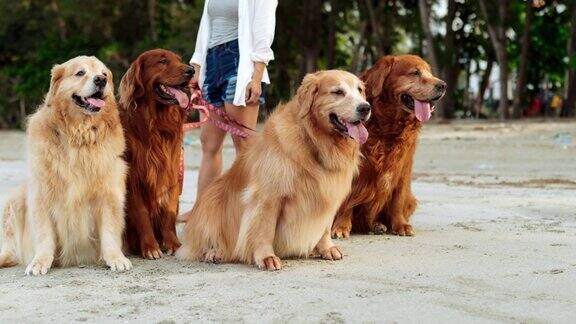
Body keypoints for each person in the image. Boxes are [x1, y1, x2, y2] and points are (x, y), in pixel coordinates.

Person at [181, 0, 277, 220]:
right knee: (209, 143)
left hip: (239, 61)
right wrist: (197, 67)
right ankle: (202, 210)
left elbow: (264, 27)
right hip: (212, 61)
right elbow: (206, 26)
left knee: (243, 143)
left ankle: (249, 211)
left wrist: (257, 76)